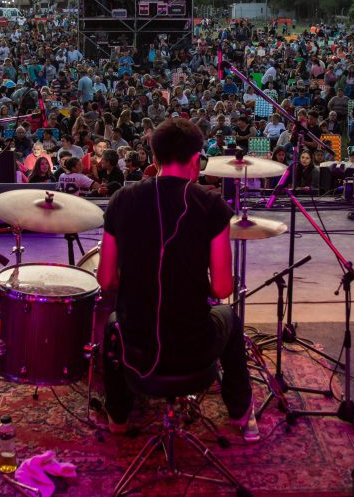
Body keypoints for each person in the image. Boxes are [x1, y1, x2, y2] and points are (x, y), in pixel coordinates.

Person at [97, 118, 258, 441]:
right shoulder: (211, 205)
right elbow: (223, 289)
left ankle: (117, 417)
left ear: (153, 160)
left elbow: (105, 280)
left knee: (113, 323)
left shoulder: (121, 201)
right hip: (194, 350)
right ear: (196, 160)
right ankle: (241, 413)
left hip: (138, 351)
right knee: (229, 317)